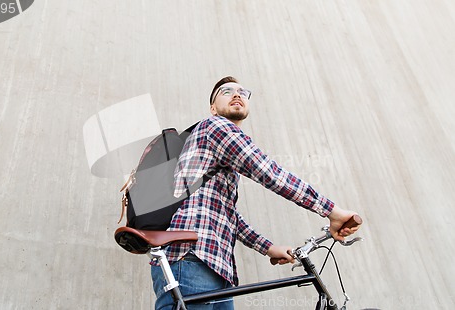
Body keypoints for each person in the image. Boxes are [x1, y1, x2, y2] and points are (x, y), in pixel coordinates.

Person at [150, 76, 360, 309]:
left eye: (242, 92)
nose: (237, 94)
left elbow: (228, 215)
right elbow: (269, 172)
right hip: (191, 259)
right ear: (212, 108)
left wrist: (268, 247)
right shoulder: (215, 127)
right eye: (226, 91)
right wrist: (332, 211)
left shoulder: (215, 150)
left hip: (215, 266)